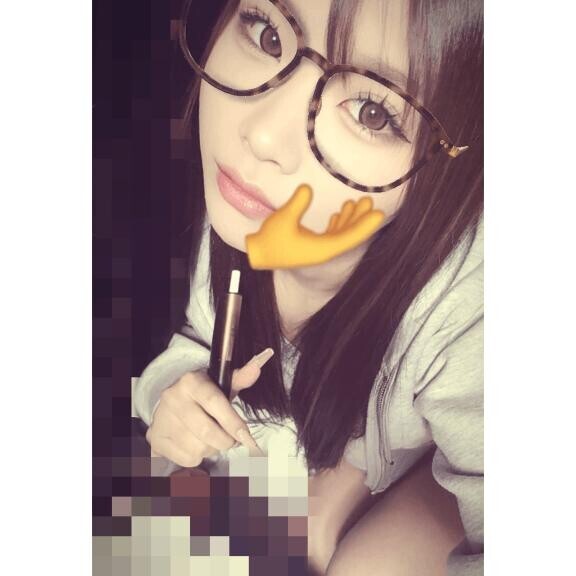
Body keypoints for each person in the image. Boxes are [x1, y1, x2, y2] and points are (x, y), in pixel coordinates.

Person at [133, 0, 483, 574]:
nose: (262, 134)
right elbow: (195, 340)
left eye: (372, 112)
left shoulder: (466, 308)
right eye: (267, 34)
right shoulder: (244, 216)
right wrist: (169, 395)